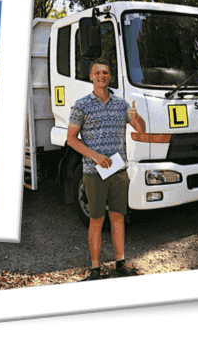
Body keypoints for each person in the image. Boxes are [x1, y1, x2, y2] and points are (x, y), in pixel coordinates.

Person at [66, 58, 147, 281]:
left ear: (109, 77)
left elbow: (141, 131)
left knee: (118, 217)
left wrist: (136, 117)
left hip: (119, 172)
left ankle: (120, 263)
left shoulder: (122, 104)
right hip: (94, 173)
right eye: (98, 72)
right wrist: (95, 157)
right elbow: (71, 140)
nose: (102, 76)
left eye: (106, 73)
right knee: (96, 219)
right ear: (91, 77)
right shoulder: (81, 105)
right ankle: (95, 269)